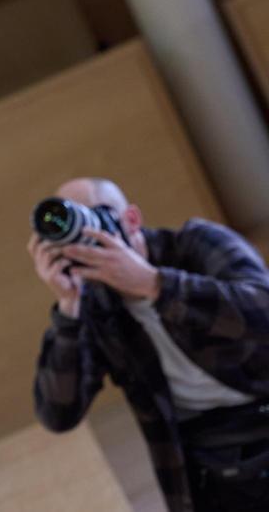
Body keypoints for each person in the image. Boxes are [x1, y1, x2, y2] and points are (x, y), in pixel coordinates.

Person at [28, 177, 269, 512]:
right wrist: (68, 310)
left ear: (132, 220)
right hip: (208, 466)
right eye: (71, 226)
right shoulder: (93, 304)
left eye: (95, 218)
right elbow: (58, 413)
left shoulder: (195, 244)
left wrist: (155, 285)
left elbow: (262, 312)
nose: (87, 236)